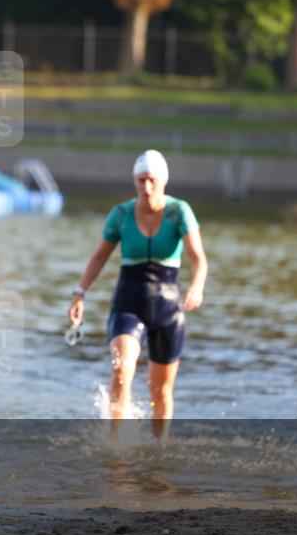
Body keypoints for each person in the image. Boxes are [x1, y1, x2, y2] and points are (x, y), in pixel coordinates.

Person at [68, 150, 207, 437]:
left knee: (161, 390)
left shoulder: (179, 211)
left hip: (169, 311)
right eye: (141, 180)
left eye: (152, 180)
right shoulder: (121, 214)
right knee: (122, 369)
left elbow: (198, 258)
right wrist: (80, 292)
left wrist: (197, 285)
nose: (146, 187)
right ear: (134, 180)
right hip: (128, 305)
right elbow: (98, 258)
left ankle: (159, 446)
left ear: (164, 180)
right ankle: (116, 442)